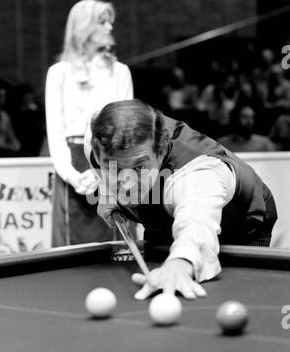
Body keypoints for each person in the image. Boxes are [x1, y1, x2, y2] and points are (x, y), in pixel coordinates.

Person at [84, 99, 277, 301]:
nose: (128, 183)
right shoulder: (95, 138)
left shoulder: (196, 175)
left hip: (242, 220)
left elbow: (196, 221)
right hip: (165, 215)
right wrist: (107, 191)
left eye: (139, 168)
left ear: (160, 154)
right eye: (114, 167)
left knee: (235, 294)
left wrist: (181, 261)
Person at [45, 0, 133, 246]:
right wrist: (72, 176)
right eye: (102, 22)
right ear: (83, 27)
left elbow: (127, 130)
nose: (110, 28)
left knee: (118, 251)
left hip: (111, 165)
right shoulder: (58, 73)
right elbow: (55, 132)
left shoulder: (121, 72)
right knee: (69, 255)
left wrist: (104, 173)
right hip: (72, 167)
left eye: (110, 22)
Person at [0, 84, 21, 157]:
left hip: (5, 149)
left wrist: (15, 145)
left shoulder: (5, 116)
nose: (2, 100)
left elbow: (11, 135)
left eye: (4, 97)